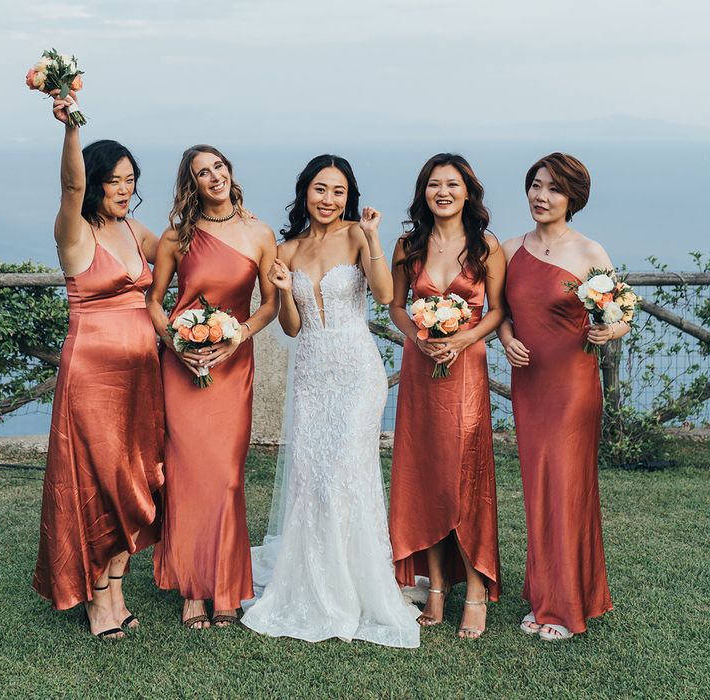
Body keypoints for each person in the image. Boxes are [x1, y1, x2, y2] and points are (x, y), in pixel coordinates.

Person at [241, 154, 420, 648]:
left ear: (349, 196)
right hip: (312, 372)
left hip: (357, 369)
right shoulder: (287, 248)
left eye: (338, 191)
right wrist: (283, 292)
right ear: (305, 192)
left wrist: (376, 238)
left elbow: (384, 294)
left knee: (345, 470)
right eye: (320, 189)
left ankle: (357, 586)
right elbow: (292, 328)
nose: (328, 199)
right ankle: (313, 580)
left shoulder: (359, 235)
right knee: (313, 474)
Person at [33, 91, 164, 639]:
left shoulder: (136, 232)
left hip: (145, 376)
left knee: (137, 475)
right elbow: (70, 187)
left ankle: (115, 583)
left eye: (132, 179)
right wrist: (69, 128)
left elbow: (190, 249)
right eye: (115, 180)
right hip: (94, 376)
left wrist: (236, 218)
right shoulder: (75, 232)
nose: (126, 189)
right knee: (98, 479)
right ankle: (97, 597)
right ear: (96, 181)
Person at [146, 145, 278, 629]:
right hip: (181, 368)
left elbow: (269, 305)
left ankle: (224, 585)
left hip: (233, 366)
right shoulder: (176, 238)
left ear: (230, 171)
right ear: (192, 184)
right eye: (203, 173)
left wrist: (239, 335)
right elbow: (156, 302)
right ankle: (193, 589)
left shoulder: (261, 233)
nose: (214, 176)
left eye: (219, 167)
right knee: (186, 474)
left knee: (225, 476)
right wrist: (175, 343)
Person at [498, 152, 629, 641]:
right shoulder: (509, 249)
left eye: (553, 188)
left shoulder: (590, 252)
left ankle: (563, 609)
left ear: (572, 197)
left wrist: (608, 330)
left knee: (566, 488)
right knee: (538, 489)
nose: (541, 196)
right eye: (535, 185)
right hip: (529, 385)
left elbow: (620, 313)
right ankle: (547, 594)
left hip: (573, 386)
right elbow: (501, 311)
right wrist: (506, 337)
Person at [388, 153, 504, 638]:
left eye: (452, 184)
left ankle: (475, 588)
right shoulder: (408, 245)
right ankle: (436, 586)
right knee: (426, 474)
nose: (443, 192)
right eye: (434, 184)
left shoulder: (487, 246)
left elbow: (497, 311)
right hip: (420, 371)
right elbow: (396, 306)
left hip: (466, 371)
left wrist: (461, 339)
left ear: (467, 191)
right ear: (423, 192)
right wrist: (417, 338)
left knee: (465, 475)